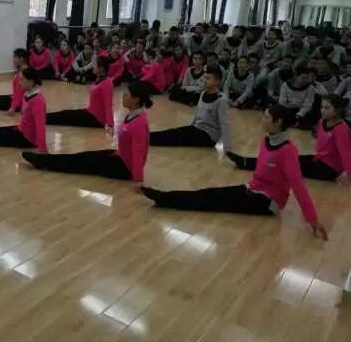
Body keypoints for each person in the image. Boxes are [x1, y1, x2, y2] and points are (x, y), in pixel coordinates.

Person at [142, 105, 328, 241]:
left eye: (266, 117)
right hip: (253, 189)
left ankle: (165, 199)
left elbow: (298, 185)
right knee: (211, 193)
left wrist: (312, 218)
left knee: (214, 200)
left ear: (278, 122)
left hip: (267, 201)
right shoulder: (267, 141)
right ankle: (166, 197)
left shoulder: (288, 150)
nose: (262, 120)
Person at [21, 81, 151, 185]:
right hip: (119, 156)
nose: (123, 97)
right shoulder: (132, 115)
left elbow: (139, 152)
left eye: (126, 95)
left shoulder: (139, 123)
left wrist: (138, 179)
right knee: (83, 156)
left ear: (136, 100)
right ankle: (45, 160)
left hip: (124, 168)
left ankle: (44, 162)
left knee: (81, 162)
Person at [227, 94, 351, 183]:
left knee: (283, 167)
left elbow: (346, 153)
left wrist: (347, 172)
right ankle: (245, 162)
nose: (323, 111)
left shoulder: (341, 129)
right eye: (322, 107)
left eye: (327, 108)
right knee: (281, 160)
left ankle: (246, 163)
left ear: (338, 110)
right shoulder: (322, 121)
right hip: (318, 159)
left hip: (330, 169)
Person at [151, 67, 231, 151]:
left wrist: (227, 147)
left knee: (175, 137)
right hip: (197, 129)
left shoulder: (221, 100)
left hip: (209, 137)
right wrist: (192, 126)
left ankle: (147, 138)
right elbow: (197, 114)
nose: (204, 80)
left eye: (208, 78)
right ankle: (148, 136)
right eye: (204, 78)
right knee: (174, 133)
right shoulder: (203, 93)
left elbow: (224, 124)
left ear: (216, 81)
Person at [46, 56, 114, 131]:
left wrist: (110, 125)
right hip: (90, 112)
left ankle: (42, 118)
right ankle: (43, 116)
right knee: (65, 113)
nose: (93, 66)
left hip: (96, 119)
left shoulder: (107, 83)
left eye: (95, 65)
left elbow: (108, 104)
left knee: (66, 117)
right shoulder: (100, 79)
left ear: (101, 68)